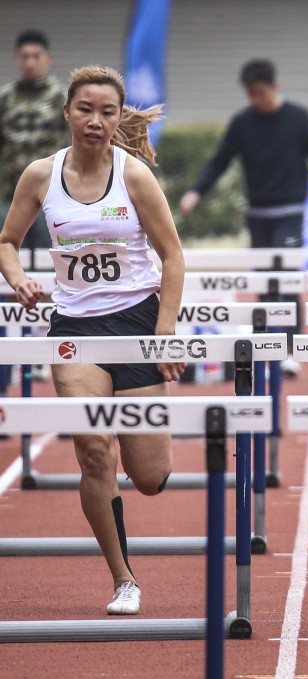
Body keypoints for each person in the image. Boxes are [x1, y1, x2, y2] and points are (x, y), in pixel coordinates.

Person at [0, 65, 186, 613]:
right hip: (75, 328)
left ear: (117, 118)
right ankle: (124, 578)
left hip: (136, 322)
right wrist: (19, 279)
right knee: (94, 450)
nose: (95, 121)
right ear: (67, 113)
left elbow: (173, 256)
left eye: (107, 112)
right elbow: (6, 241)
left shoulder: (134, 177)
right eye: (85, 110)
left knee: (150, 477)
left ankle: (139, 456)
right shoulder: (41, 175)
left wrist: (165, 333)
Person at [180, 59, 308, 377]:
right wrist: (196, 191)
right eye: (251, 94)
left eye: (261, 93)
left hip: (289, 212)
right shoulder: (242, 123)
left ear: (274, 87)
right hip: (258, 214)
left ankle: (290, 349)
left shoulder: (298, 118)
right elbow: (219, 161)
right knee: (263, 282)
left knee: (287, 278)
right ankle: (267, 347)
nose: (256, 100)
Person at [0, 29, 70, 392]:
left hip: (51, 200)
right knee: (7, 275)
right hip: (8, 200)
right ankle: (7, 360)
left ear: (47, 59)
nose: (30, 62)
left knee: (58, 275)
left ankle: (53, 351)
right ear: (16, 59)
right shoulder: (5, 99)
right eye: (24, 56)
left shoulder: (62, 98)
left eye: (36, 56)